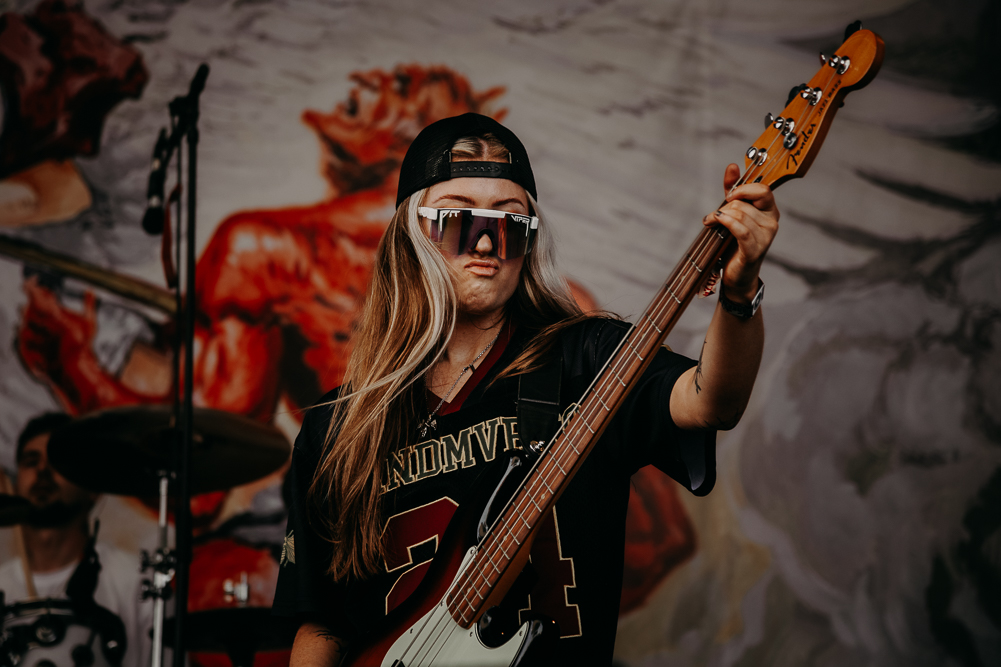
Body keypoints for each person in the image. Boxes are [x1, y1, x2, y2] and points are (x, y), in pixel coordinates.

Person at [273, 113, 778, 666]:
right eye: (458, 219)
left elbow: (711, 401)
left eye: (510, 223)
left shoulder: (588, 360)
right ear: (411, 235)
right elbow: (324, 625)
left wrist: (739, 292)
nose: (486, 242)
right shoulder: (337, 426)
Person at [0, 413, 151, 667]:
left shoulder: (135, 583)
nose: (42, 470)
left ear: (92, 488)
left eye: (57, 461)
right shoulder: (2, 583)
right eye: (30, 461)